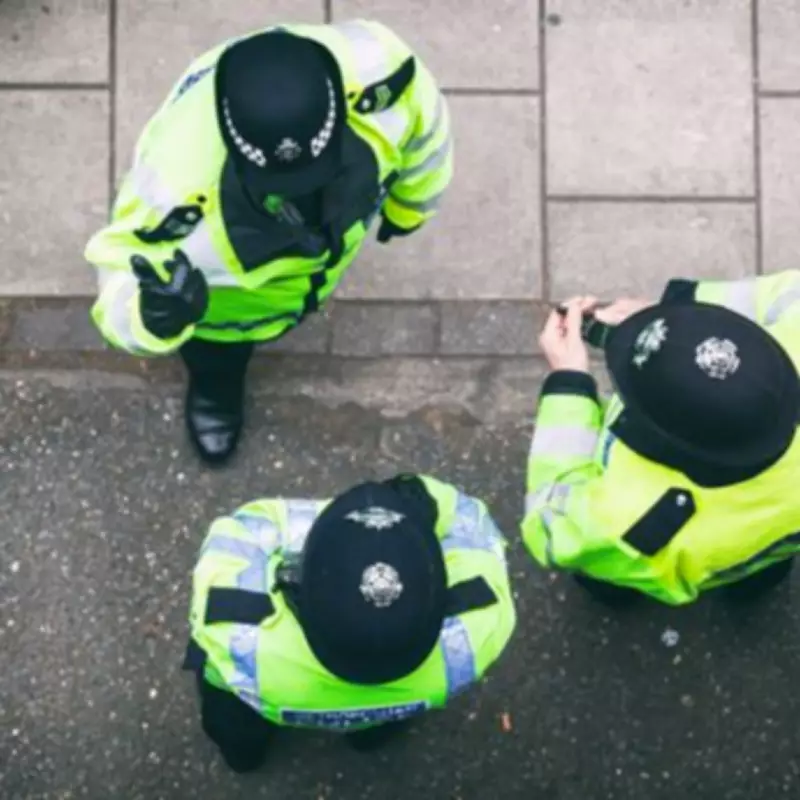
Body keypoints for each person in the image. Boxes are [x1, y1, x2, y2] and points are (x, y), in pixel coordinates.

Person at [84, 20, 452, 465]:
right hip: (225, 317)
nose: (301, 196)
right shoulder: (170, 190)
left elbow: (427, 132)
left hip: (304, 283)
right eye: (280, 186)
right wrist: (152, 317)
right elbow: (117, 272)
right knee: (217, 355)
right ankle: (217, 388)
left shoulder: (382, 73)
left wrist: (411, 205)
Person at [182, 473, 516, 772]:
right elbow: (471, 528)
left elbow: (246, 528)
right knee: (383, 721)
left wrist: (335, 531)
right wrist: (419, 498)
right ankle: (369, 738)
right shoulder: (475, 633)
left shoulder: (241, 641)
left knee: (233, 722)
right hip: (401, 698)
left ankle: (244, 756)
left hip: (258, 698)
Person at [522, 270, 800, 607]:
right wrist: (675, 316)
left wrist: (569, 384)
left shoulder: (633, 520)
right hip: (775, 540)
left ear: (670, 440)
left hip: (640, 560)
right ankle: (751, 592)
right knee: (761, 570)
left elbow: (553, 527)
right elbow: (766, 298)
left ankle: (619, 598)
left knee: (610, 577)